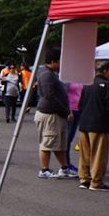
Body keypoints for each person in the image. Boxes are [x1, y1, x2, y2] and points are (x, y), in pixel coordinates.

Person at [76, 61, 109, 191]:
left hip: (84, 123)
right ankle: (96, 181)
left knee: (85, 154)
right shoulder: (108, 85)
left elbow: (80, 104)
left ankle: (84, 179)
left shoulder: (87, 84)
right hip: (100, 125)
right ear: (106, 70)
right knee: (98, 155)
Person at [34, 49, 75, 179]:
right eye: (59, 61)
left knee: (59, 144)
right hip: (50, 114)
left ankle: (64, 168)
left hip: (56, 114)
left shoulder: (49, 73)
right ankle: (44, 170)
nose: (61, 64)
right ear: (53, 62)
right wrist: (65, 111)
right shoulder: (47, 75)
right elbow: (49, 96)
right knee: (47, 143)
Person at [65, 80, 84, 174]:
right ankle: (66, 164)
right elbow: (64, 95)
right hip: (71, 111)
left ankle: (67, 164)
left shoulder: (81, 78)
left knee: (70, 138)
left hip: (79, 110)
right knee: (67, 139)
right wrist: (68, 111)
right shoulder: (67, 78)